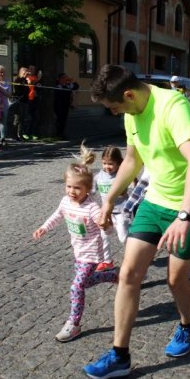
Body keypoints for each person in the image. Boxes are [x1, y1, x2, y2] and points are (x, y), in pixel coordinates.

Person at [83, 64, 190, 379]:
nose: (114, 113)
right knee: (128, 274)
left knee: (176, 280)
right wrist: (109, 200)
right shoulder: (132, 113)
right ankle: (120, 355)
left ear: (129, 95)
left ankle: (188, 325)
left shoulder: (173, 107)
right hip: (156, 201)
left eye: (115, 107)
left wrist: (184, 215)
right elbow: (133, 159)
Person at [32, 144, 118, 342]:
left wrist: (106, 225)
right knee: (86, 282)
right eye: (69, 186)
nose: (72, 191)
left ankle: (74, 324)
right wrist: (44, 227)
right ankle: (112, 275)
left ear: (88, 189)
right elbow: (57, 215)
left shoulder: (92, 208)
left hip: (92, 254)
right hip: (78, 251)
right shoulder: (65, 201)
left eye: (77, 188)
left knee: (76, 287)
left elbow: (108, 230)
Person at [92, 145, 130, 273]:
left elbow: (130, 188)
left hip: (121, 212)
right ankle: (107, 262)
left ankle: (134, 256)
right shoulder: (99, 176)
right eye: (104, 163)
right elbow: (91, 191)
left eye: (111, 164)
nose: (107, 166)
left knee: (123, 237)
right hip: (106, 213)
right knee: (104, 237)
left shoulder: (121, 175)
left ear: (119, 163)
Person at [54, 73, 79, 139]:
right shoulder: (57, 85)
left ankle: (61, 133)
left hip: (66, 105)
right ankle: (58, 134)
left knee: (64, 120)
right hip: (59, 105)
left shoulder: (68, 85)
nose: (66, 79)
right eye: (65, 77)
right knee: (59, 120)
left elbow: (76, 86)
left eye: (66, 77)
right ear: (60, 79)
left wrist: (73, 81)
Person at [12, 67, 30, 141]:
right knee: (17, 119)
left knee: (23, 119)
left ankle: (20, 134)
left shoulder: (26, 80)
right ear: (21, 72)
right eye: (24, 73)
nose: (25, 74)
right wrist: (25, 82)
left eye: (26, 73)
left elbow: (27, 91)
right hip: (19, 101)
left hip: (25, 101)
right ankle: (14, 135)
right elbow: (18, 90)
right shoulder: (18, 80)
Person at [24, 65, 41, 139]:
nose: (32, 70)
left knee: (35, 117)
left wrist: (38, 87)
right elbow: (30, 83)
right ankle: (25, 133)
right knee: (28, 117)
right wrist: (38, 79)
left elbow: (38, 86)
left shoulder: (35, 77)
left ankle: (32, 133)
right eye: (30, 69)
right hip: (28, 99)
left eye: (33, 69)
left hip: (35, 99)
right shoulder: (26, 77)